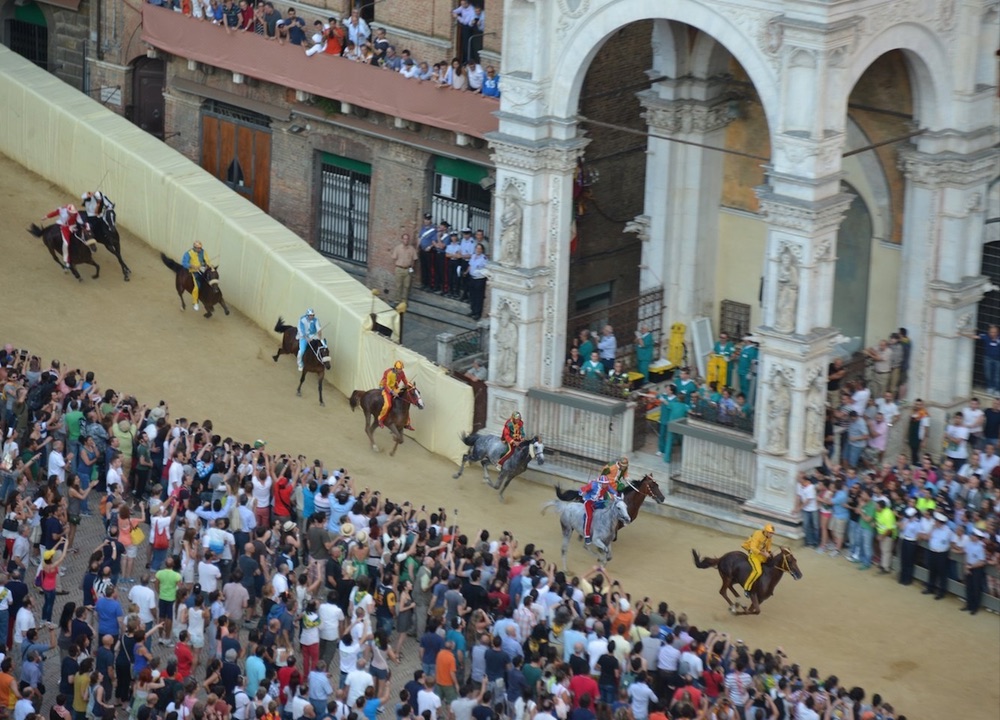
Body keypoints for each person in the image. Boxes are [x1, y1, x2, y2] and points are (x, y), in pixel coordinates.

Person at [578, 472, 620, 550]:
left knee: (606, 512)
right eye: (605, 484)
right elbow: (582, 489)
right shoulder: (593, 485)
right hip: (589, 502)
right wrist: (581, 492)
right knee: (589, 516)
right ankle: (587, 535)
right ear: (601, 483)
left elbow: (613, 491)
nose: (606, 485)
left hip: (598, 502)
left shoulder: (606, 486)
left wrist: (616, 496)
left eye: (607, 483)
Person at [42, 203, 88, 270]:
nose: (73, 214)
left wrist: (85, 226)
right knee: (66, 244)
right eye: (71, 213)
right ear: (68, 211)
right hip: (65, 228)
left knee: (83, 235)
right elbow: (55, 213)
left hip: (73, 227)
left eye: (73, 212)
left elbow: (80, 221)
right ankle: (67, 261)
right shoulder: (63, 211)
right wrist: (46, 216)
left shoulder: (76, 214)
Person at [740, 523, 775, 598]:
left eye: (772, 533)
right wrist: (764, 553)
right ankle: (747, 588)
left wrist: (769, 553)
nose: (771, 535)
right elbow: (753, 548)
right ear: (765, 531)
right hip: (754, 555)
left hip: (762, 555)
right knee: (758, 571)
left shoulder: (769, 538)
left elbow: (768, 547)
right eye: (770, 533)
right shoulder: (757, 534)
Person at [379, 361, 413, 430]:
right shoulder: (388, 372)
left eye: (401, 369)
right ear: (395, 368)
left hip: (394, 388)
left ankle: (407, 423)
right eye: (399, 369)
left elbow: (405, 381)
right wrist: (392, 392)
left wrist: (411, 386)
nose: (400, 370)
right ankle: (380, 419)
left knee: (405, 403)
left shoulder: (402, 373)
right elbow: (386, 385)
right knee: (388, 405)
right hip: (386, 388)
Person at [180, 241, 213, 312]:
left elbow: (207, 260)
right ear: (194, 248)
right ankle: (195, 302)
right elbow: (184, 263)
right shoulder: (188, 253)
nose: (199, 250)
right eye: (198, 248)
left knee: (212, 278)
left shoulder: (203, 252)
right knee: (197, 286)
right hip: (193, 271)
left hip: (202, 268)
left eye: (200, 248)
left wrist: (208, 265)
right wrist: (192, 265)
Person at [391, 233, 418, 303]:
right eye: (404, 239)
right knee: (398, 285)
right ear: (402, 239)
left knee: (407, 286)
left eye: (407, 239)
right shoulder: (397, 248)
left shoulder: (412, 249)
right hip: (399, 268)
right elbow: (394, 258)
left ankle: (404, 301)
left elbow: (414, 259)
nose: (406, 240)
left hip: (408, 269)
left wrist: (411, 268)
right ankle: (397, 300)